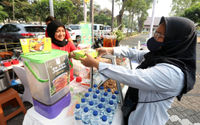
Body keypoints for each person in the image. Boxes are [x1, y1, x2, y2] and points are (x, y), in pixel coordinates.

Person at [77, 16, 197, 125]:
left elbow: (133, 76)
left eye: (160, 36)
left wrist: (96, 64)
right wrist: (110, 50)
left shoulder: (174, 73)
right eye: (156, 33)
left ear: (176, 40)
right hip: (134, 110)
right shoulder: (160, 55)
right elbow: (136, 53)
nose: (155, 38)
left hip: (146, 120)